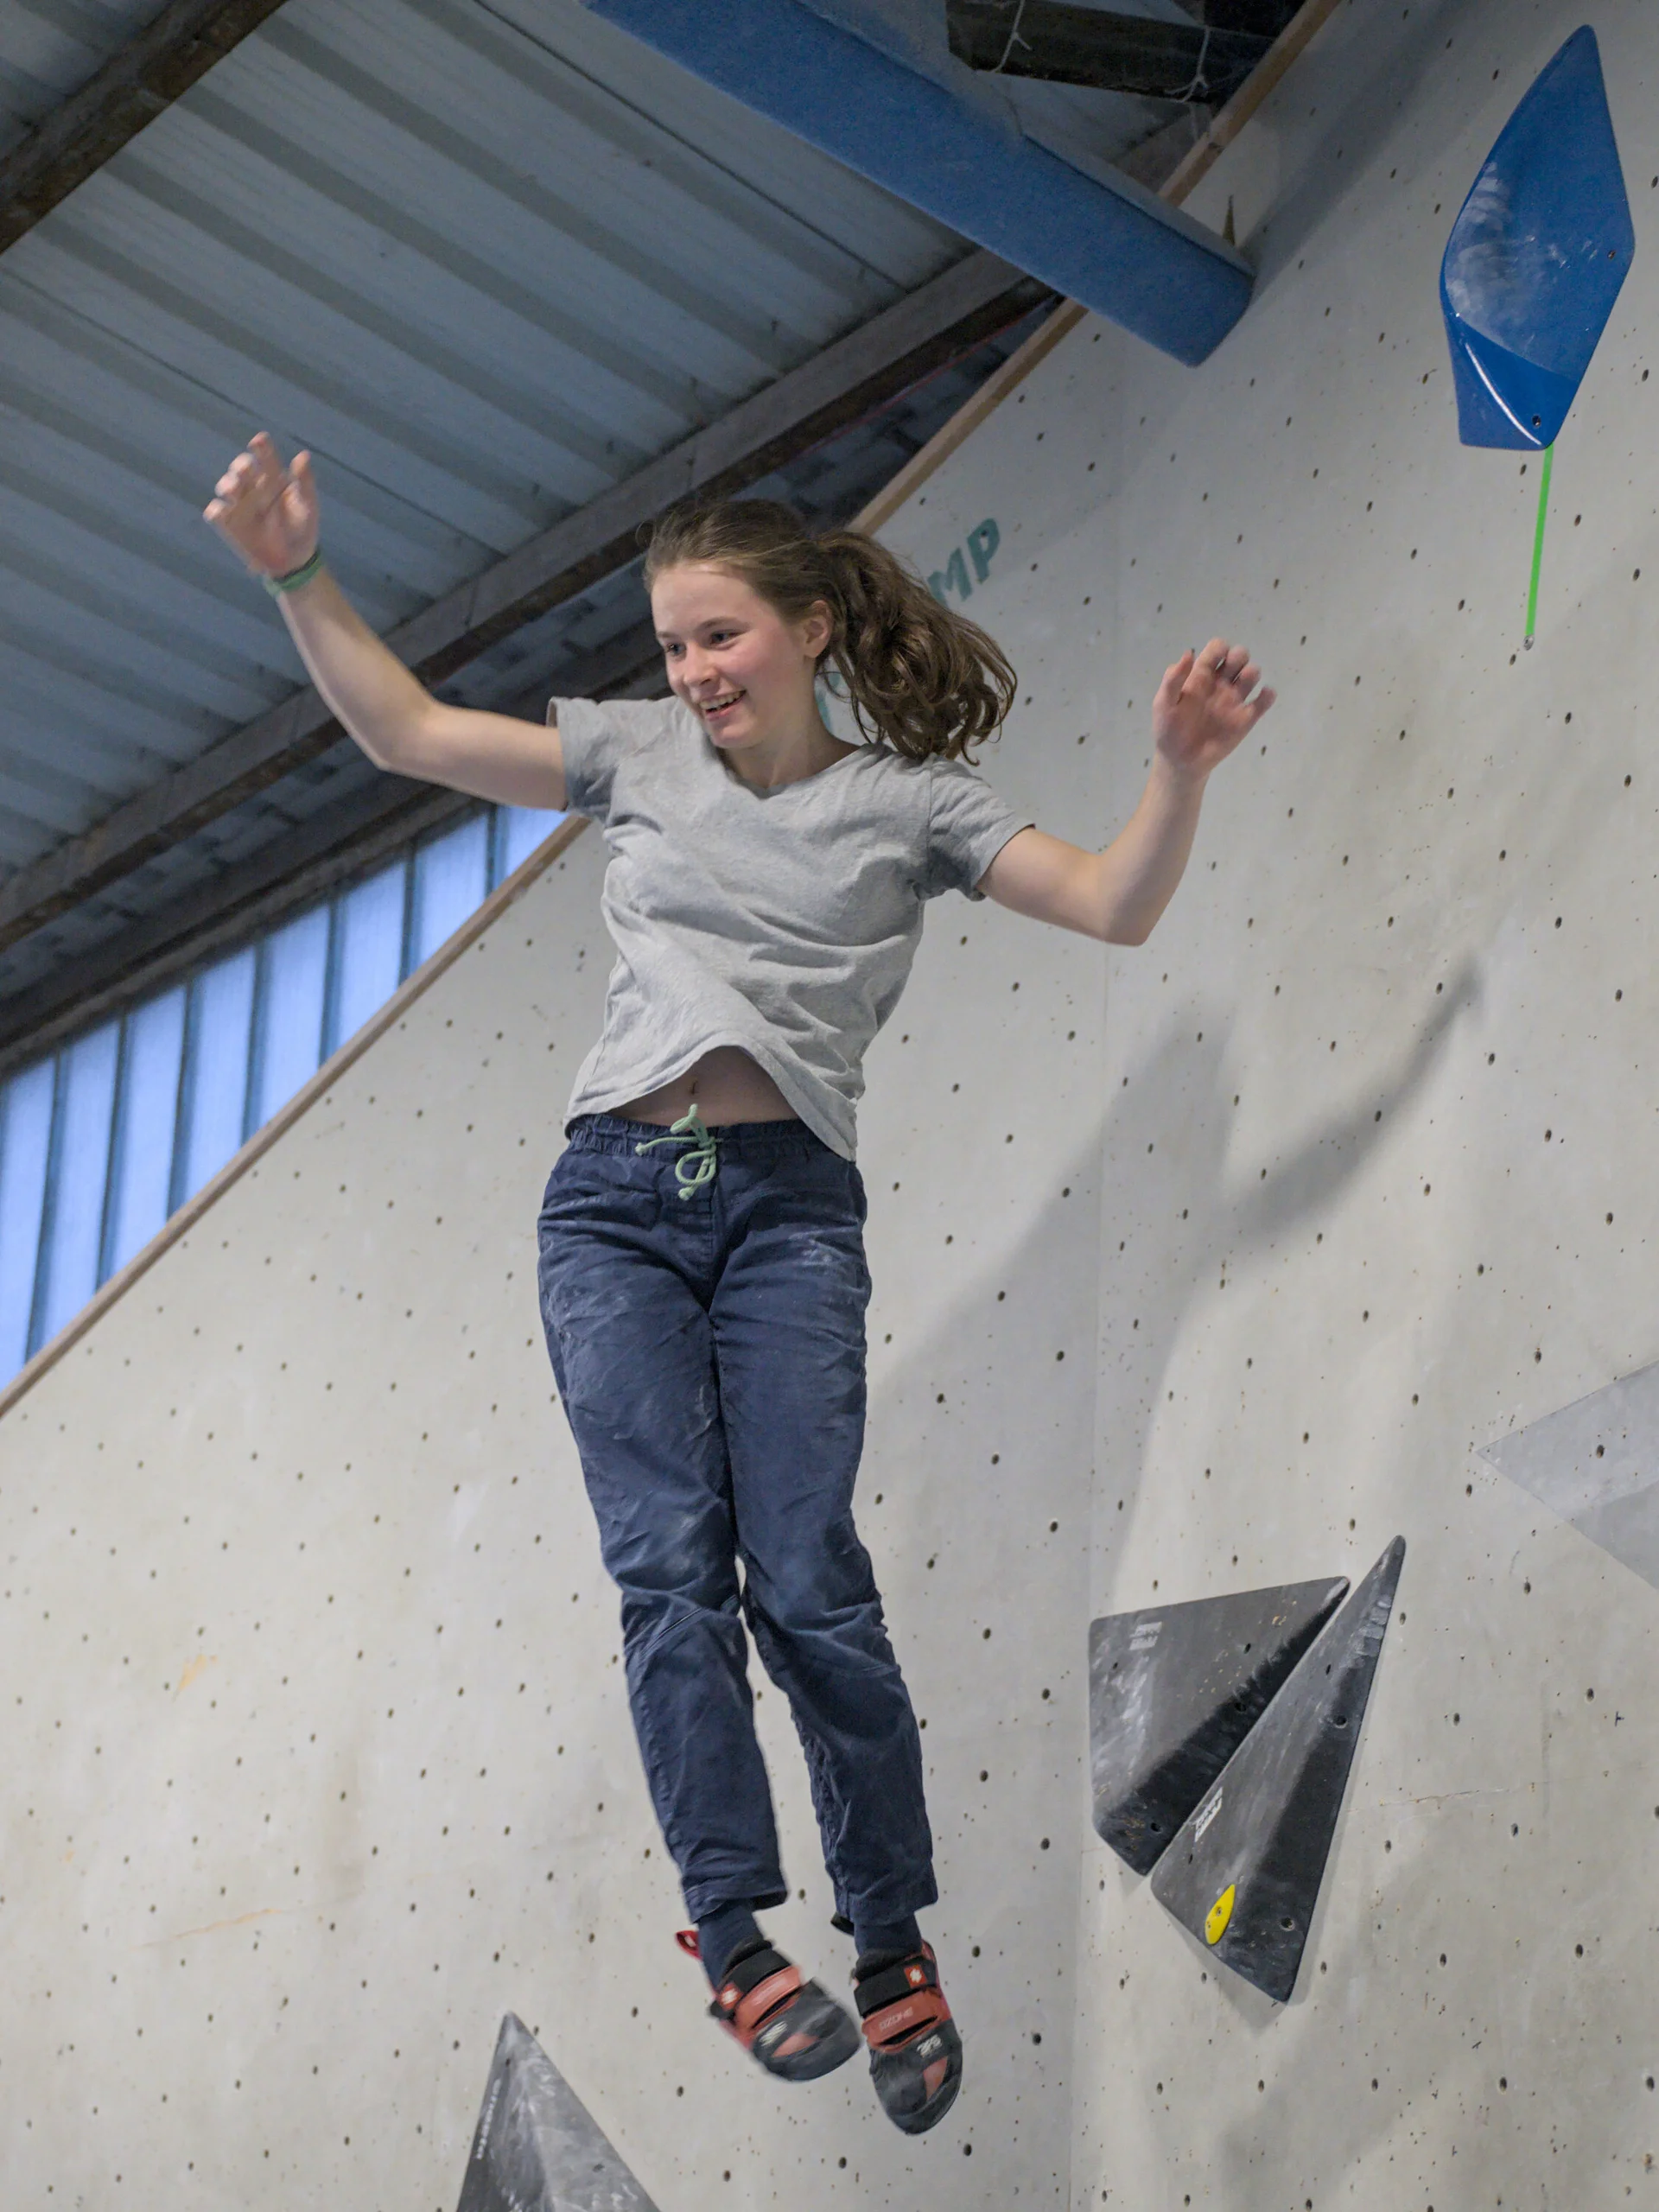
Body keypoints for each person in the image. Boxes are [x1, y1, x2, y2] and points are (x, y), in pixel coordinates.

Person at [205, 434, 1274, 2136]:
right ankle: (733, 1931)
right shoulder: (631, 756)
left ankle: (894, 1938)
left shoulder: (908, 806)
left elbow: (1109, 902)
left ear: (812, 628)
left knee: (813, 1584)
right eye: (675, 645)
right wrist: (293, 571)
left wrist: (1177, 770)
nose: (694, 672)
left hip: (786, 1217)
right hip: (616, 1209)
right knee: (671, 1579)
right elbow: (407, 729)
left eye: (722, 636)